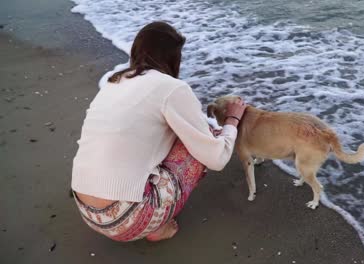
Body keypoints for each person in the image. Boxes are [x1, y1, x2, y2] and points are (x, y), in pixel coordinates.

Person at [71, 21, 246, 242]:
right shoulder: (172, 88)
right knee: (207, 137)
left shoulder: (114, 82)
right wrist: (232, 120)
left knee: (164, 132)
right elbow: (217, 158)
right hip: (128, 221)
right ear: (173, 58)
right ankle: (156, 227)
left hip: (87, 211)